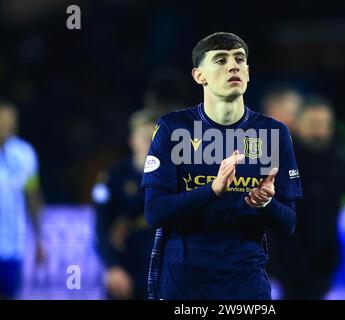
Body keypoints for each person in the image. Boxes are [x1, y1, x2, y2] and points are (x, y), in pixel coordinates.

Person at [142, 32, 302, 300]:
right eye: (220, 60)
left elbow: (289, 225)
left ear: (248, 73)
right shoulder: (173, 128)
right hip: (184, 287)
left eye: (240, 59)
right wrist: (212, 190)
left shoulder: (274, 133)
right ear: (199, 76)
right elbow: (154, 212)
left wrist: (266, 204)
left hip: (246, 286)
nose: (233, 66)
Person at [267, 95, 345, 299]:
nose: (318, 131)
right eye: (312, 124)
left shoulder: (341, 162)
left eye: (323, 124)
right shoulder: (278, 159)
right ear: (299, 125)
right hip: (280, 260)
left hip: (322, 258)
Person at [92, 109, 156, 299]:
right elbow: (101, 226)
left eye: (155, 137)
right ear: (132, 140)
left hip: (161, 270)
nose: (150, 143)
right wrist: (112, 267)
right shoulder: (113, 177)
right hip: (126, 267)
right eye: (145, 137)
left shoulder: (175, 177)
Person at [0, 99, 45, 299]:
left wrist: (39, 239)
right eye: (4, 119)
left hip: (13, 248)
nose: (10, 124)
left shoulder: (25, 153)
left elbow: (33, 197)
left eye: (12, 119)